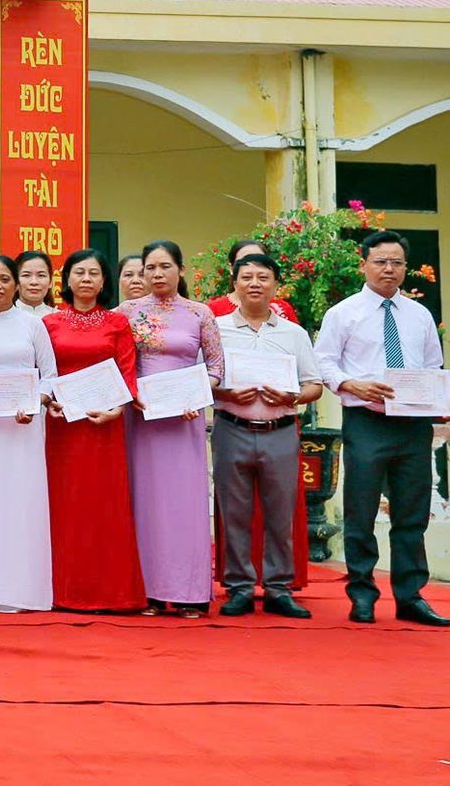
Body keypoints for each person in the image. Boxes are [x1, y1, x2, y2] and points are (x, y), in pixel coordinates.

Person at [314, 228, 448, 625]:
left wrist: (437, 402)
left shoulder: (420, 315)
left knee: (412, 512)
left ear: (406, 268)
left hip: (413, 425)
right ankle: (362, 593)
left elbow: (432, 367)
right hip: (367, 421)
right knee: (361, 509)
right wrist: (350, 384)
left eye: (396, 263)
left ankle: (411, 596)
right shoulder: (343, 313)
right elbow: (324, 362)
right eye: (381, 262)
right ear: (364, 265)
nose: (389, 269)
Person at [213, 251, 322, 619]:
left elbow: (314, 385)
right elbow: (202, 379)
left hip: (280, 431)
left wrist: (294, 397)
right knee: (234, 513)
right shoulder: (216, 329)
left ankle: (279, 588)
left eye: (263, 277)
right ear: (235, 284)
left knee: (280, 513)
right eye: (246, 277)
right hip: (232, 428)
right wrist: (226, 393)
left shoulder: (294, 333)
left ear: (276, 286)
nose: (254, 284)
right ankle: (239, 587)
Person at [121, 239, 224, 617]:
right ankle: (146, 591)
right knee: (144, 502)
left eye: (165, 266)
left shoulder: (200, 314)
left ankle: (188, 592)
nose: (157, 274)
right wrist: (130, 393)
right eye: (150, 268)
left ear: (180, 270)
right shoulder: (127, 313)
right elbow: (113, 361)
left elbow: (216, 368)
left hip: (184, 420)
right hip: (142, 420)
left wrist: (195, 395)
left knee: (185, 504)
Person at [40, 249, 146, 613]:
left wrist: (119, 408)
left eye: (94, 273)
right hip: (63, 426)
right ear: (67, 280)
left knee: (105, 504)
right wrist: (48, 402)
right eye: (79, 272)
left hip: (105, 426)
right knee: (64, 503)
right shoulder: (49, 323)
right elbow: (44, 372)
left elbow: (128, 370)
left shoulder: (117, 323)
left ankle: (111, 592)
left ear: (104, 282)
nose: (86, 279)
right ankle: (62, 590)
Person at [0, 254, 58, 613]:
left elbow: (50, 376)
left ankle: (26, 590)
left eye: (4, 279)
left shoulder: (33, 325)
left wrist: (35, 403)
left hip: (24, 427)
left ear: (15, 284)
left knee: (23, 502)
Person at [208, 238, 300, 323]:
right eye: (244, 261)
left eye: (259, 260)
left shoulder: (282, 309)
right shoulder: (211, 310)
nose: (252, 265)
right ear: (231, 268)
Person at [16, 250, 56, 316]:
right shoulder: (2, 316)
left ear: (50, 282)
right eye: (26, 275)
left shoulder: (61, 318)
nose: (34, 282)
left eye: (41, 275)